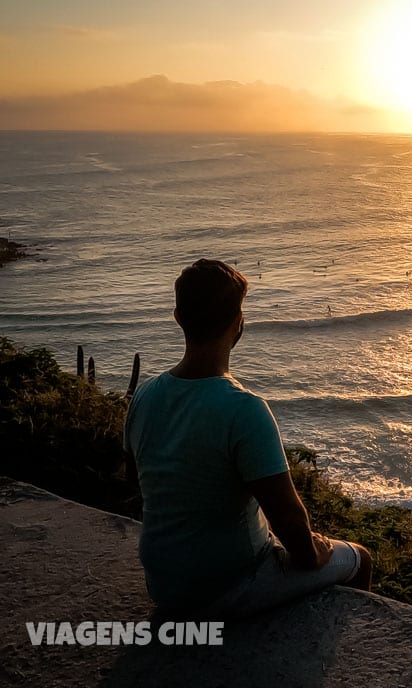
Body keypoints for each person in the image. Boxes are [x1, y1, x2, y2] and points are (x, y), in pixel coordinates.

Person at [124, 258, 372, 618]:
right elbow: (288, 519)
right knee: (359, 558)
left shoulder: (144, 396)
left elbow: (137, 481)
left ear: (178, 317)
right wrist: (316, 551)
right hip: (228, 586)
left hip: (162, 583)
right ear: (239, 324)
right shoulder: (244, 409)